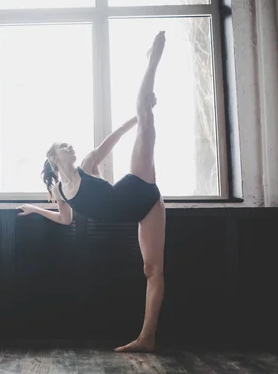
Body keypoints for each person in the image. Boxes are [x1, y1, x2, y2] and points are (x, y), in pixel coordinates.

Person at [17, 31, 167, 353]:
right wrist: (35, 208)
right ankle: (147, 338)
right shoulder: (61, 190)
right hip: (144, 209)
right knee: (151, 270)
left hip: (137, 187)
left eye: (69, 144)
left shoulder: (87, 163)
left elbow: (111, 141)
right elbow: (65, 220)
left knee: (144, 115)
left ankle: (153, 58)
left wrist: (135, 118)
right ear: (55, 159)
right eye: (63, 146)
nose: (70, 146)